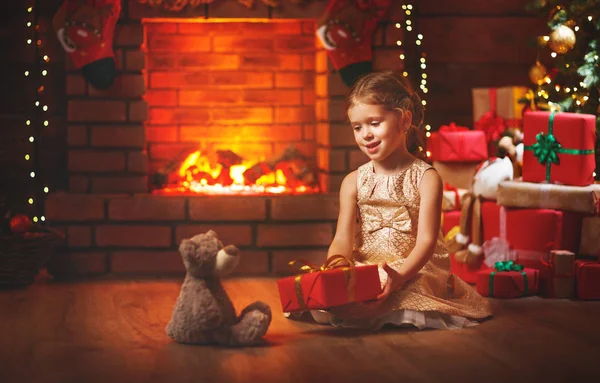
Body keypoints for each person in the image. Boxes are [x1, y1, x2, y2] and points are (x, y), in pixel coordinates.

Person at [288, 70, 493, 330]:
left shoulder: (426, 177)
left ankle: (392, 303)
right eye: (357, 127)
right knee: (338, 292)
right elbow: (342, 238)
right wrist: (336, 266)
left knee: (409, 289)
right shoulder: (353, 181)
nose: (366, 135)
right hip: (370, 265)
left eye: (375, 123)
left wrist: (399, 277)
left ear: (404, 120)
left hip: (414, 268)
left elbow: (427, 242)